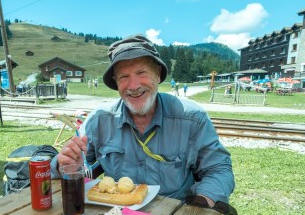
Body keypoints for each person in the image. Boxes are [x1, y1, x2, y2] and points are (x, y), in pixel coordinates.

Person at [52, 34, 235, 205]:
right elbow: (69, 167)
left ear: (157, 74)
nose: (134, 86)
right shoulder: (99, 121)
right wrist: (67, 167)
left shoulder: (192, 118)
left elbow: (219, 170)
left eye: (142, 73)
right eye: (124, 76)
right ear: (116, 82)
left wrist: (199, 205)